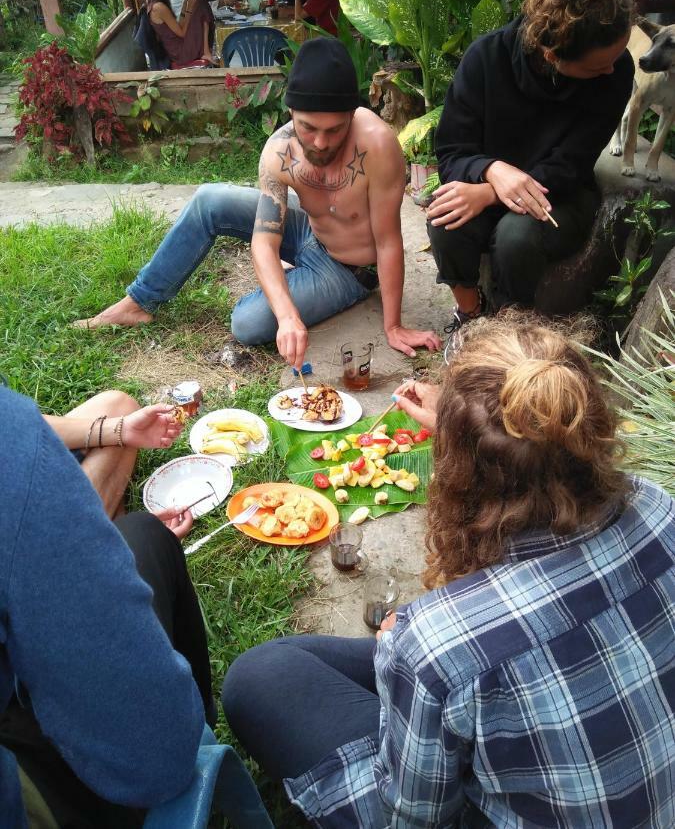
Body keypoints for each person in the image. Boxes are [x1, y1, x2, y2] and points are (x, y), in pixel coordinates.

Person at [221, 311, 675, 827]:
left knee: (258, 677)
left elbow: (413, 819)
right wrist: (478, 433)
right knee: (322, 662)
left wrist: (412, 654)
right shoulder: (661, 508)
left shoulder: (439, 646)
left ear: (454, 467)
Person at [74, 38, 441, 369]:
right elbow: (265, 240)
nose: (320, 142)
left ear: (351, 116)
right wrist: (287, 315)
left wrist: (393, 325)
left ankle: (299, 281)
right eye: (308, 127)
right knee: (209, 199)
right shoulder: (278, 153)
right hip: (311, 231)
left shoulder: (377, 146)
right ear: (291, 113)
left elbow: (390, 240)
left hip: (348, 268)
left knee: (246, 323)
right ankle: (140, 303)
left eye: (334, 130)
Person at [0, 385, 213, 828]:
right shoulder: (14, 445)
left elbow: (26, 433)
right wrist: (89, 550)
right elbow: (153, 758)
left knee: (116, 406)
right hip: (31, 790)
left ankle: (81, 525)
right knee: (147, 537)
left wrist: (116, 430)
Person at [427, 0, 634, 361]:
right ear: (553, 56)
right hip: (491, 180)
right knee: (444, 218)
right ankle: (471, 315)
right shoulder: (486, 59)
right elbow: (451, 151)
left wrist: (489, 193)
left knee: (516, 237)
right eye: (599, 67)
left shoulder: (616, 72)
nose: (613, 71)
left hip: (562, 191)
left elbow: (571, 165)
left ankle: (510, 334)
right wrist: (490, 170)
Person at [43, 388, 184, 519]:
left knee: (121, 406)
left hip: (33, 469)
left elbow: (30, 428)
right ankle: (106, 527)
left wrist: (122, 429)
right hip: (37, 519)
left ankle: (110, 513)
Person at [145, 0, 215, 69]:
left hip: (179, 45)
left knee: (200, 3)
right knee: (200, 4)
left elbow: (179, 26)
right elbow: (182, 33)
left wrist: (184, 7)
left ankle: (206, 50)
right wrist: (189, 10)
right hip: (179, 53)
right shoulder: (158, 7)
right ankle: (206, 51)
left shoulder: (156, 3)